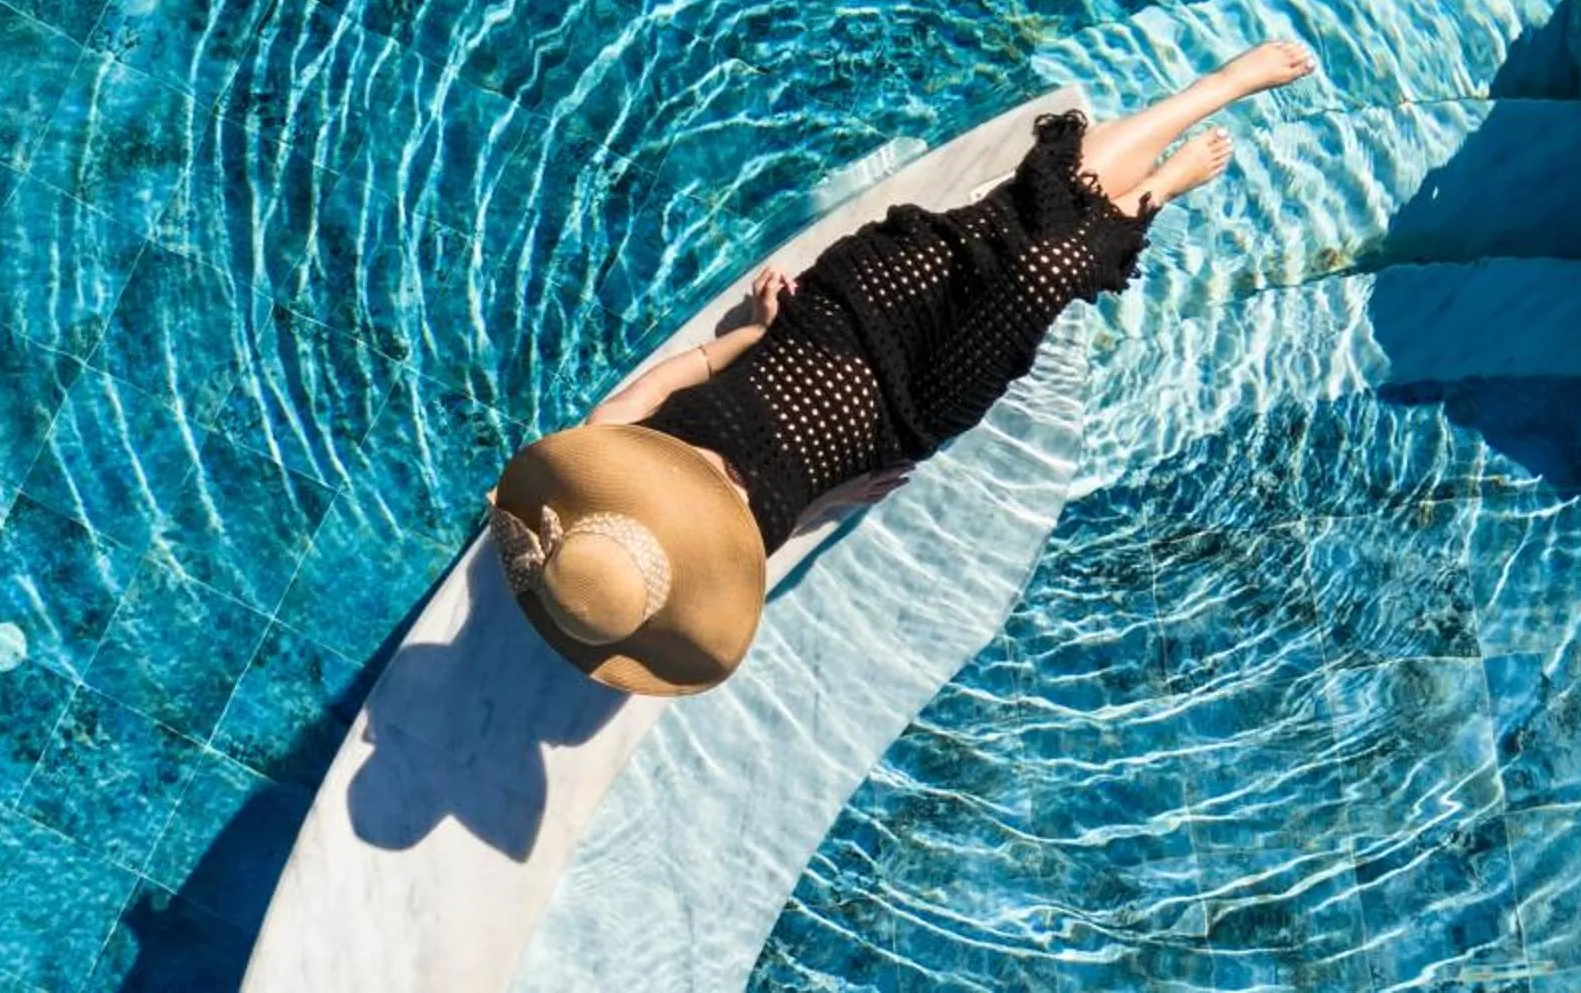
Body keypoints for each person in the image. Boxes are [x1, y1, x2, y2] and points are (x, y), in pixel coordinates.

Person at [485, 41, 1319, 695]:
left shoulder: (610, 447)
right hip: (909, 410)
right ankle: (1152, 198)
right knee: (1039, 275)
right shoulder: (709, 579)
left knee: (1012, 220)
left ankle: (1212, 88)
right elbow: (793, 520)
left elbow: (678, 373)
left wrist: (752, 331)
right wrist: (831, 502)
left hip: (838, 319)